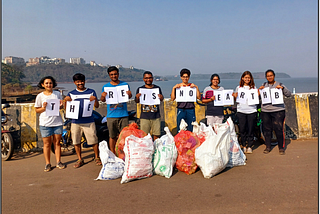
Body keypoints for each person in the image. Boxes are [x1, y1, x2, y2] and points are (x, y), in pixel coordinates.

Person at [64, 73, 101, 168]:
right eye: (78, 81)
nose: (80, 83)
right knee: (76, 141)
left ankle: (97, 157)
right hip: (75, 121)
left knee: (93, 140)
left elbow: (96, 106)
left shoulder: (91, 92)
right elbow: (67, 109)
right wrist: (65, 101)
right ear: (74, 82)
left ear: (85, 81)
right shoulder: (71, 93)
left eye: (82, 81)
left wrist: (95, 100)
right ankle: (80, 159)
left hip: (89, 120)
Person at [35, 76, 65, 172]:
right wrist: (43, 108)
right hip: (45, 123)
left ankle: (58, 161)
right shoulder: (40, 96)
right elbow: (37, 110)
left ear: (53, 84)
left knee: (57, 143)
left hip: (57, 122)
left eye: (50, 83)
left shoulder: (57, 94)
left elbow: (59, 107)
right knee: (46, 144)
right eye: (47, 83)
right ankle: (48, 163)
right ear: (43, 84)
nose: (49, 85)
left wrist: (61, 105)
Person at [100, 66, 132, 154]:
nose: (114, 76)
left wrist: (129, 94)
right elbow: (103, 100)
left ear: (118, 74)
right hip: (111, 115)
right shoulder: (105, 86)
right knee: (112, 136)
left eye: (115, 74)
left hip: (124, 115)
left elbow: (128, 97)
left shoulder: (125, 85)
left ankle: (124, 153)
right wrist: (102, 96)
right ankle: (112, 153)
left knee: (125, 136)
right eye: (111, 74)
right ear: (109, 75)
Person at [259, 69, 291, 155]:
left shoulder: (280, 84)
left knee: (278, 129)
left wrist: (282, 88)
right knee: (267, 129)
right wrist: (259, 91)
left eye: (271, 75)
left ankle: (281, 148)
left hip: (278, 111)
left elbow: (288, 94)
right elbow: (258, 98)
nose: (269, 77)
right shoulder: (263, 85)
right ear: (266, 77)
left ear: (274, 76)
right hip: (265, 111)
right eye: (268, 76)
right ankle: (268, 147)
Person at [232, 71, 259, 154]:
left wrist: (258, 94)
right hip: (241, 111)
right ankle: (244, 146)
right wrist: (234, 97)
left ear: (251, 79)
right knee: (242, 129)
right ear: (242, 78)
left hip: (252, 110)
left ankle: (250, 146)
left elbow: (256, 98)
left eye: (248, 77)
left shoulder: (254, 88)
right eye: (245, 77)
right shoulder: (239, 88)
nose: (247, 79)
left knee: (251, 129)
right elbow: (236, 100)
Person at [135, 71, 164, 140]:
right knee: (144, 137)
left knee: (156, 135)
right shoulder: (140, 89)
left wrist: (161, 97)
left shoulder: (157, 88)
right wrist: (137, 97)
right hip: (144, 116)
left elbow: (161, 99)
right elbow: (137, 101)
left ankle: (156, 150)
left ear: (152, 78)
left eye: (150, 78)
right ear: (143, 79)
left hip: (156, 116)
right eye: (146, 78)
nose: (148, 79)